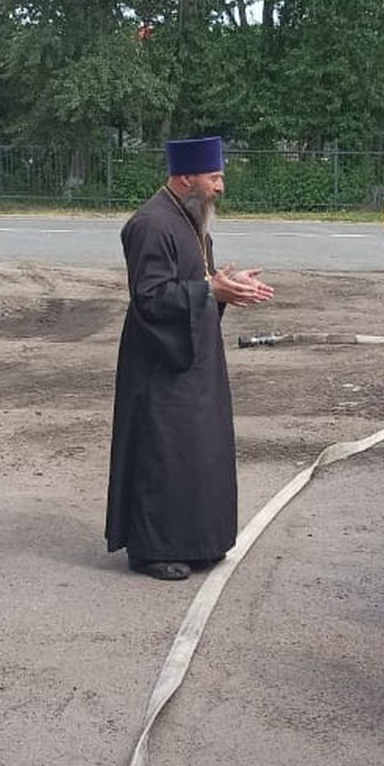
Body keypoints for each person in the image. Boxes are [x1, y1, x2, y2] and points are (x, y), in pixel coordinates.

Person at [105, 137, 274, 582]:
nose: (220, 185)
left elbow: (198, 279)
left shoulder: (191, 220)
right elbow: (150, 297)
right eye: (213, 177)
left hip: (194, 356)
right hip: (159, 362)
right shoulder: (150, 224)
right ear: (186, 178)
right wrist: (211, 290)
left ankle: (198, 541)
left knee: (197, 451)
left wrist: (224, 284)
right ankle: (153, 549)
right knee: (164, 454)